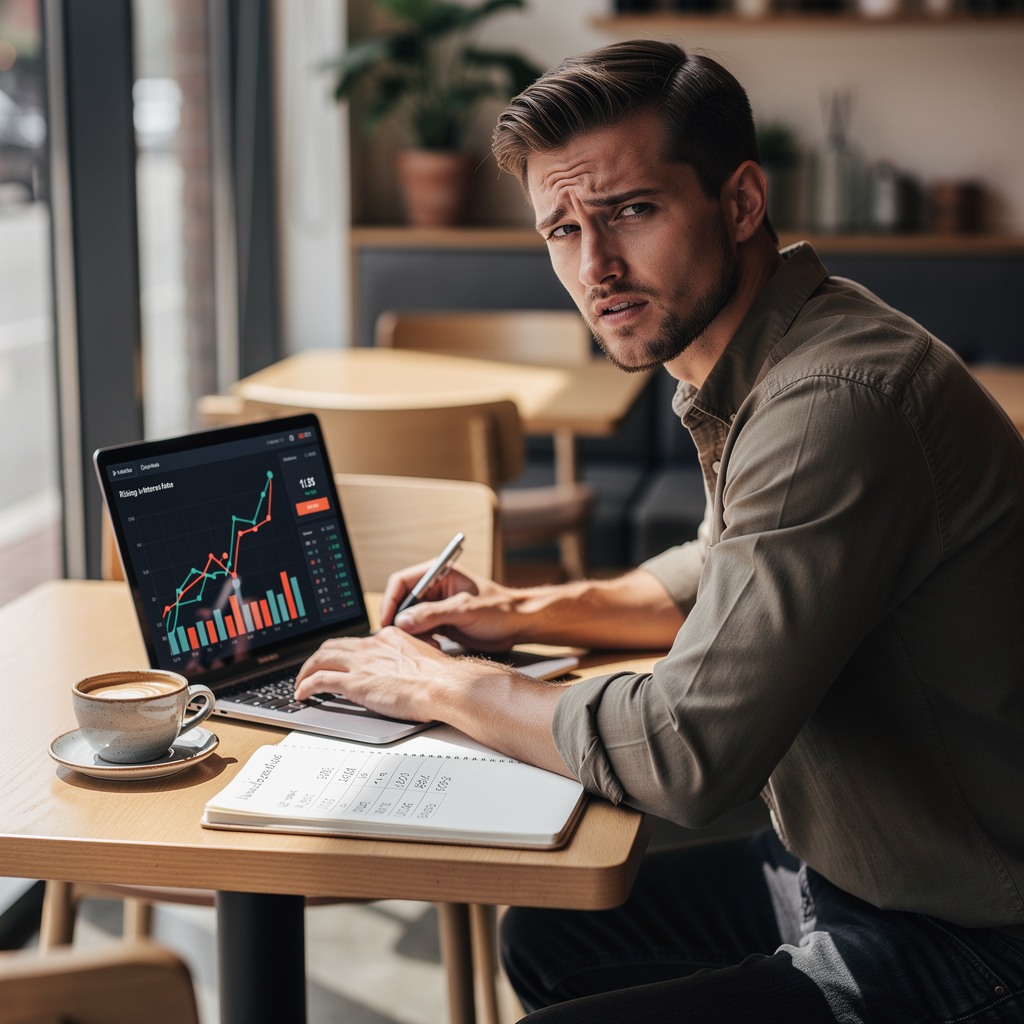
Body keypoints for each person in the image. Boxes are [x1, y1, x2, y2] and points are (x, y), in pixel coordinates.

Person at [296, 39, 1024, 1023]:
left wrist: (439, 683)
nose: (595, 266)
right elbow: (724, 569)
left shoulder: (831, 400)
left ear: (740, 201)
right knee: (554, 936)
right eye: (562, 229)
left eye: (631, 211)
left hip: (972, 937)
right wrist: (521, 612)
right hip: (859, 869)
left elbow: (688, 752)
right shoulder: (779, 350)